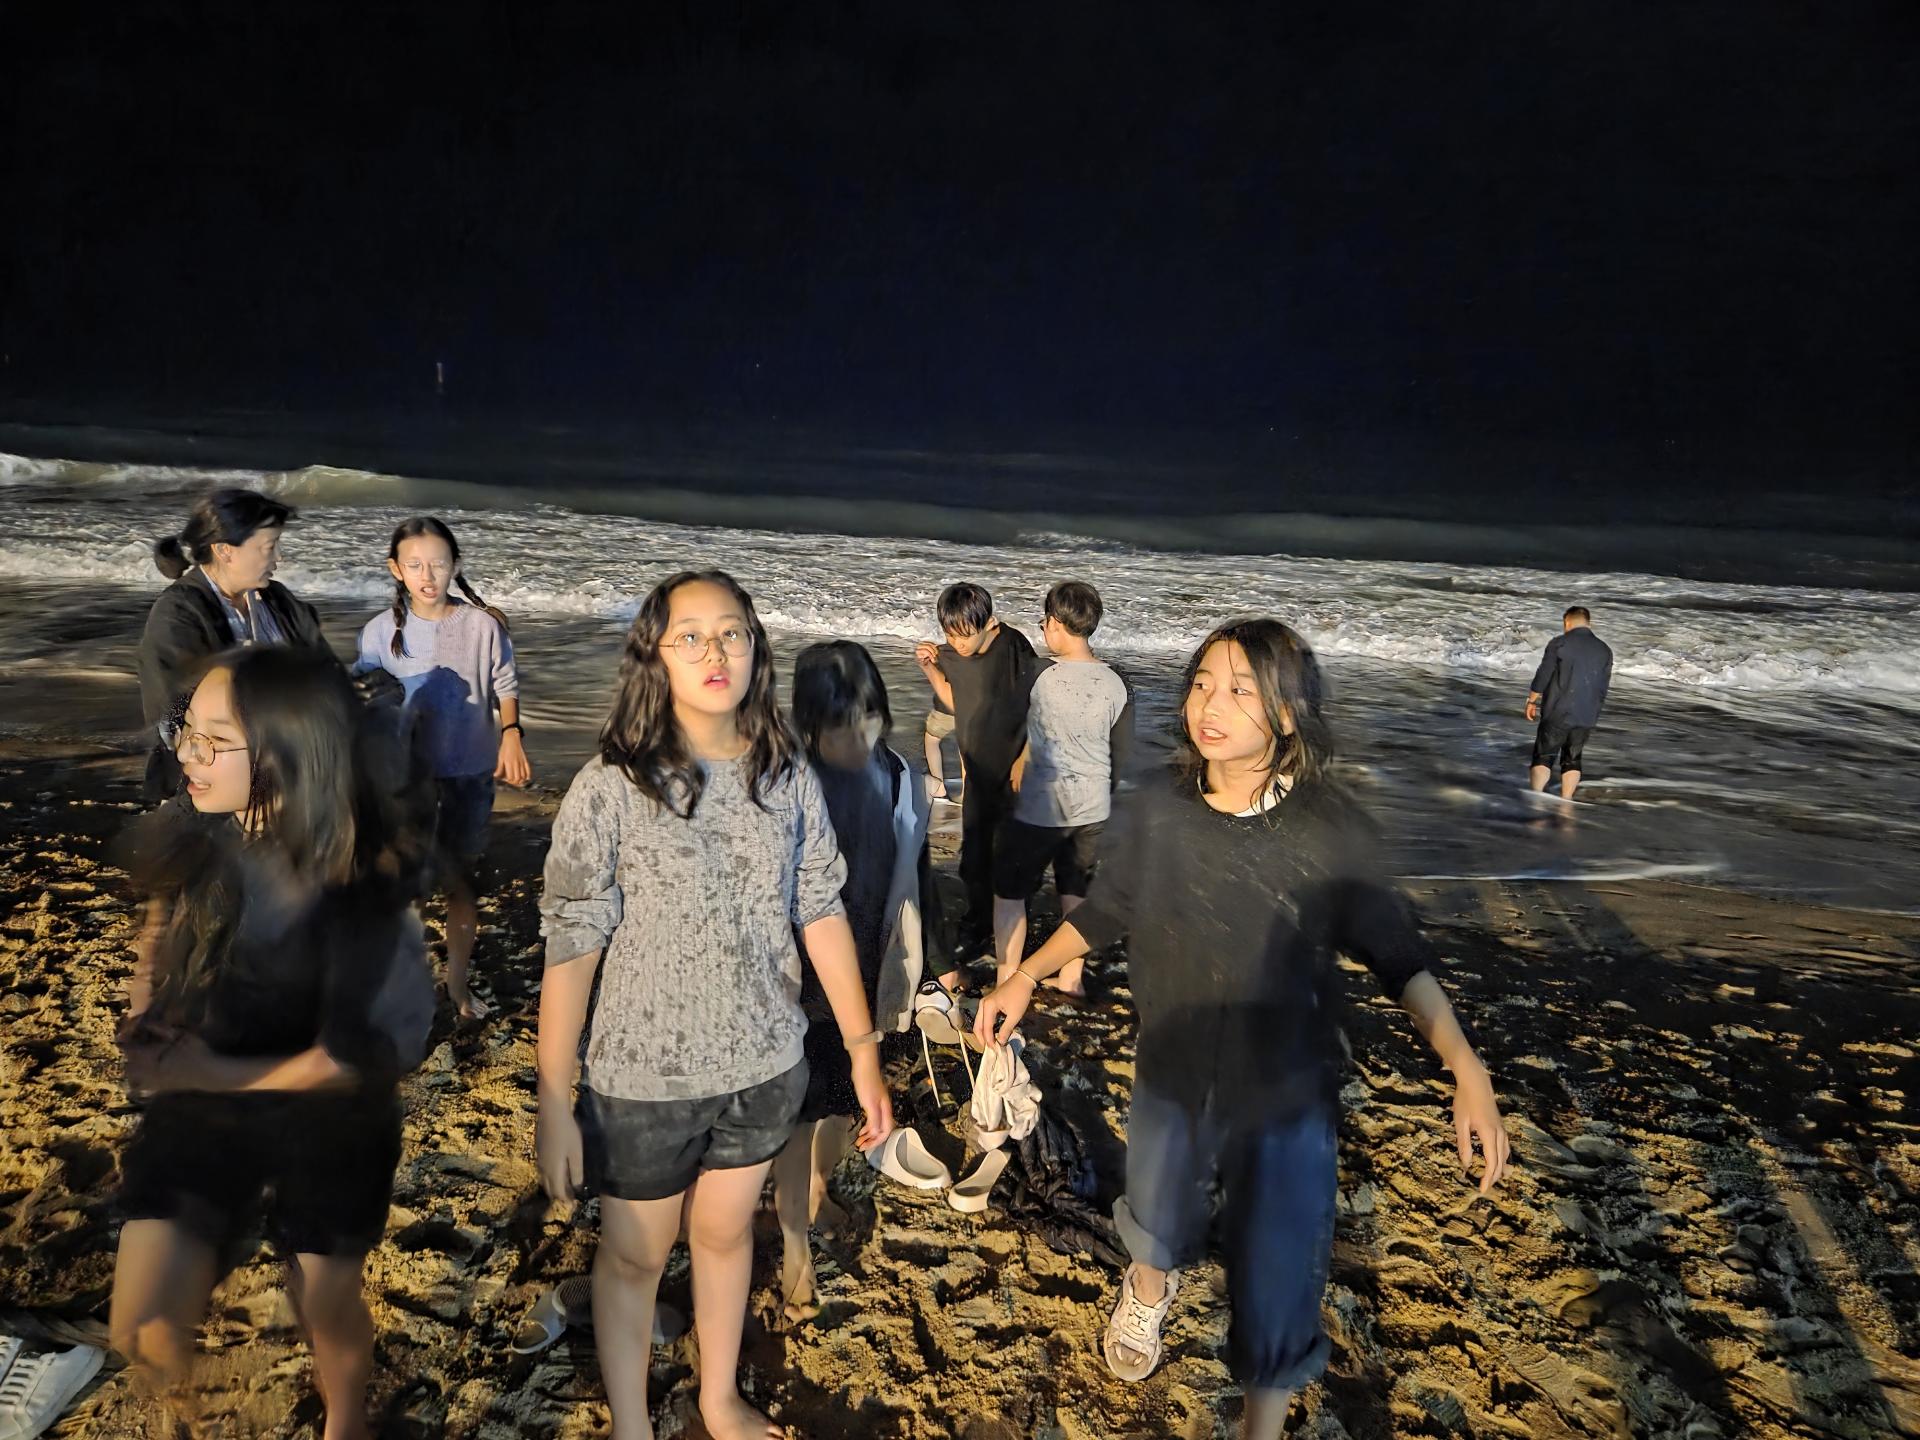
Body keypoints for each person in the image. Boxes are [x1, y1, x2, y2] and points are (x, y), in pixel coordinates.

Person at [974, 618, 1510, 1440]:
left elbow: (1400, 957)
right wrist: (1024, 975)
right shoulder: (1160, 810)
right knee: (1156, 1209)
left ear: (1288, 713)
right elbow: (1110, 910)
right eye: (1201, 684)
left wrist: (1466, 1069)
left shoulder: (1328, 829)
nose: (1209, 705)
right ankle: (1148, 1288)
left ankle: (1262, 1422)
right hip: (1173, 1067)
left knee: (1279, 1272)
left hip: (1286, 1093)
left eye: (1238, 690)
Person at [537, 570, 895, 1440]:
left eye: (732, 632)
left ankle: (718, 1397)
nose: (714, 651)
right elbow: (573, 944)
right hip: (642, 1082)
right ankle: (630, 1425)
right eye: (689, 635)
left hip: (765, 1066)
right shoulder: (611, 786)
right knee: (635, 1256)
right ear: (654, 657)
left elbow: (820, 910)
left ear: (756, 650)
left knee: (727, 1236)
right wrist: (552, 1097)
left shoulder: (787, 773)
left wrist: (862, 1052)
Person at [108, 647, 435, 1440]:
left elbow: (352, 1061)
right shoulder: (197, 829)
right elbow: (161, 920)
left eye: (215, 740)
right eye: (186, 730)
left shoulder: (359, 888)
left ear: (288, 754)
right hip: (207, 1096)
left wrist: (203, 1072)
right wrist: (149, 1004)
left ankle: (347, 1420)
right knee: (141, 1329)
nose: (188, 754)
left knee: (322, 1299)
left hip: (329, 1117)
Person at [772, 641, 952, 1324]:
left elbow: (919, 878)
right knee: (797, 1119)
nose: (858, 737)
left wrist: (939, 963)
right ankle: (794, 1248)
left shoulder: (903, 778)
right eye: (840, 724)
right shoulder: (783, 787)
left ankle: (817, 1191)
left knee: (843, 1107)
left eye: (869, 718)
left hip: (876, 976)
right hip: (801, 985)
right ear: (808, 723)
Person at [355, 517, 530, 1019]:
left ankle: (456, 983)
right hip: (404, 779)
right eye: (414, 565)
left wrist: (511, 735)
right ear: (396, 569)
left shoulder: (482, 626)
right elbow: (364, 699)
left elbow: (505, 683)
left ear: (455, 565)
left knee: (461, 881)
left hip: (469, 771)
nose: (427, 575)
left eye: (438, 564)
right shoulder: (380, 632)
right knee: (406, 883)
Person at [137, 489, 330, 802]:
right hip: (202, 786)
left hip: (284, 771)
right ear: (225, 551)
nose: (278, 557)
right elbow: (175, 718)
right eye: (269, 547)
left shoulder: (279, 600)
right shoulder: (178, 613)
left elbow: (323, 669)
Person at [993, 580, 1133, 998]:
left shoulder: (1039, 673)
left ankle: (1007, 980)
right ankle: (1072, 979)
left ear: (1055, 622)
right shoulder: (1118, 681)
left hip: (1041, 807)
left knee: (1009, 892)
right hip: (1094, 807)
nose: (1043, 630)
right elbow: (1120, 751)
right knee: (1075, 890)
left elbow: (1008, 731)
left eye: (1044, 622)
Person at [913, 583, 1044, 959]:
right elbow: (956, 701)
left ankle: (1013, 929)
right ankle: (979, 924)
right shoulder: (953, 655)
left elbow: (1040, 704)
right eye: (950, 635)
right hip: (978, 774)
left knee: (1010, 858)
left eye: (965, 635)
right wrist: (929, 667)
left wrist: (1024, 759)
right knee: (973, 858)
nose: (958, 644)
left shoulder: (1013, 647)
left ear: (991, 624)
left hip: (1014, 774)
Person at [1526, 605, 1613, 800]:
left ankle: (1536, 801)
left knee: (1544, 756)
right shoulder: (1605, 650)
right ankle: (1566, 802)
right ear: (1589, 623)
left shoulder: (1559, 643)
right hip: (1587, 714)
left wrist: (1532, 700)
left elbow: (1543, 675)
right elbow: (1602, 687)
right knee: (1573, 759)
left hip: (1558, 711)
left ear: (1567, 622)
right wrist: (1593, 712)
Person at [923, 696, 958, 801]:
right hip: (977, 705)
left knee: (932, 739)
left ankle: (939, 788)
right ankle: (968, 790)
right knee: (968, 744)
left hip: (948, 707)